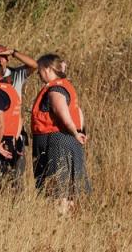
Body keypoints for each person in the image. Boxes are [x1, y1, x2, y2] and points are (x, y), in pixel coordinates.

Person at [29, 53, 90, 206]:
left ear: (48, 69)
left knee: (57, 191)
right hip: (68, 139)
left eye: (40, 70)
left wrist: (75, 133)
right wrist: (80, 132)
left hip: (57, 142)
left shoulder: (55, 89)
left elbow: (62, 112)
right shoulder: (65, 85)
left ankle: (59, 221)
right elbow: (79, 112)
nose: (38, 74)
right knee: (67, 190)